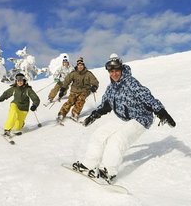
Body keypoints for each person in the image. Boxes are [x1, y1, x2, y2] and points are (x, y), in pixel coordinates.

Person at [72, 54, 176, 183]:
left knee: (117, 140)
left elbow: (148, 97)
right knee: (98, 135)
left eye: (117, 70)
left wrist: (162, 112)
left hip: (141, 118)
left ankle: (107, 172)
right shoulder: (111, 88)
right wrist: (94, 115)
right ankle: (88, 164)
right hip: (124, 119)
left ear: (121, 70)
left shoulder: (131, 83)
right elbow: (105, 105)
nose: (114, 74)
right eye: (111, 71)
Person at [57, 57, 99, 122]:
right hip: (74, 90)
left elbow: (95, 81)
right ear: (77, 66)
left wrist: (94, 86)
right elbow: (67, 81)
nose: (80, 67)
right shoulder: (73, 73)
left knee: (80, 100)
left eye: (81, 65)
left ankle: (75, 113)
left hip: (85, 90)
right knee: (70, 101)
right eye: (79, 65)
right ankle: (61, 114)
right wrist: (63, 89)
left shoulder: (88, 73)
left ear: (83, 66)